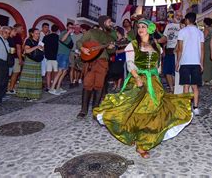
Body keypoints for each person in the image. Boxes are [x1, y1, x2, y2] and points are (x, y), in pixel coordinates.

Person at [93, 19, 193, 158]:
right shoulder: (132, 45)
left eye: (143, 27)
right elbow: (130, 64)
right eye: (138, 27)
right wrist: (138, 78)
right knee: (135, 111)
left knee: (153, 112)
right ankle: (136, 136)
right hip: (137, 81)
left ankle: (142, 144)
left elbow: (158, 67)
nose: (140, 29)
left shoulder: (157, 46)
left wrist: (155, 77)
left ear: (150, 29)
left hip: (153, 82)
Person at [76, 16, 116, 119]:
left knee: (99, 86)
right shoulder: (92, 32)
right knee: (87, 84)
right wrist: (83, 49)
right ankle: (83, 110)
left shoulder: (110, 37)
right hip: (90, 63)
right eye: (109, 22)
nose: (110, 24)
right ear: (103, 23)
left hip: (103, 63)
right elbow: (79, 42)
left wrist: (111, 48)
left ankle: (95, 110)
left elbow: (111, 51)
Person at [176, 12, 204, 115]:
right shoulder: (200, 32)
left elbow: (179, 49)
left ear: (187, 20)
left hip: (185, 62)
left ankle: (186, 107)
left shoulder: (182, 32)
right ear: (195, 20)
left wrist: (177, 62)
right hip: (196, 62)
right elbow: (202, 49)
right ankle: (195, 107)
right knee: (195, 86)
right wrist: (201, 63)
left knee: (186, 86)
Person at [17, 28, 44, 101]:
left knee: (35, 78)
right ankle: (26, 95)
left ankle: (33, 94)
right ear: (32, 34)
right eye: (36, 33)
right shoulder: (29, 41)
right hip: (30, 61)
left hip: (37, 62)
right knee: (29, 78)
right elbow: (27, 50)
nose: (38, 35)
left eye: (38, 33)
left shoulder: (38, 41)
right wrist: (37, 47)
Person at [51, 22, 74, 94]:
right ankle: (52, 88)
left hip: (66, 54)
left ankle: (58, 88)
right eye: (69, 27)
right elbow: (62, 40)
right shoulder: (63, 33)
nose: (71, 28)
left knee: (65, 72)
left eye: (72, 27)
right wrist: (68, 32)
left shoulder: (70, 35)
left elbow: (68, 46)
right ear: (67, 27)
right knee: (60, 71)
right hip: (62, 55)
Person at [161, 11, 180, 93]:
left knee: (176, 71)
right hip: (169, 50)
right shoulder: (168, 26)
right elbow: (165, 38)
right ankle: (172, 88)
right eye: (177, 15)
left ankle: (176, 88)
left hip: (178, 50)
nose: (178, 17)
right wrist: (158, 41)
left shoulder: (182, 26)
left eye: (180, 15)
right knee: (167, 71)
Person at [7, 24, 24, 94]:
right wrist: (20, 58)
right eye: (21, 28)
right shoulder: (18, 36)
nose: (22, 30)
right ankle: (10, 88)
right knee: (15, 72)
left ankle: (9, 88)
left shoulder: (10, 37)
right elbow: (18, 48)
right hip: (15, 57)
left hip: (10, 57)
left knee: (10, 73)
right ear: (16, 29)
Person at [43, 25, 60, 95]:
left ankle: (48, 87)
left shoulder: (46, 37)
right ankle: (54, 86)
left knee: (48, 72)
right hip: (56, 57)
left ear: (51, 29)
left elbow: (43, 46)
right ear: (57, 31)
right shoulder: (58, 38)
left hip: (48, 57)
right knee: (56, 72)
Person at [202, 18, 212, 85]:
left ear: (205, 23)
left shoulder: (206, 29)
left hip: (207, 47)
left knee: (206, 63)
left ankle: (206, 79)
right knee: (211, 63)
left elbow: (203, 38)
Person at [69, 24, 83, 88]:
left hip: (79, 53)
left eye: (78, 28)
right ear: (74, 28)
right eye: (76, 28)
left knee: (77, 68)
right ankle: (71, 82)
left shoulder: (82, 35)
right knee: (72, 68)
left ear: (80, 29)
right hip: (72, 53)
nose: (77, 29)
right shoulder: (71, 35)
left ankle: (77, 80)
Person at [39, 23, 50, 88]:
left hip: (45, 53)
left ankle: (43, 82)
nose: (47, 29)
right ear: (42, 27)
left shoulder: (46, 35)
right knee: (42, 68)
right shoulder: (40, 34)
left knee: (44, 68)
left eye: (47, 27)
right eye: (45, 27)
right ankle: (41, 82)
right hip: (41, 53)